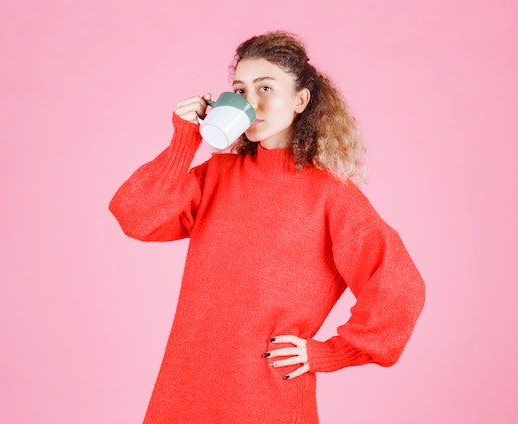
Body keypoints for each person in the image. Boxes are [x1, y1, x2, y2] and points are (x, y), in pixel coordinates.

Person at [110, 31, 425, 423]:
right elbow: (135, 216)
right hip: (187, 384)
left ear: (300, 100)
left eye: (265, 88)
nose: (250, 102)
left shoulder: (332, 195)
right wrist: (183, 141)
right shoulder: (217, 176)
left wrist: (329, 352)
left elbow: (400, 288)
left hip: (267, 397)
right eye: (240, 90)